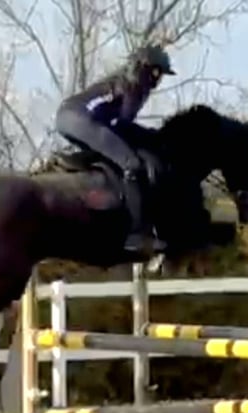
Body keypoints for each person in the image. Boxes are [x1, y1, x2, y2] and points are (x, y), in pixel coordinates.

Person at [55, 44, 176, 258]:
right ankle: (136, 234)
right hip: (82, 120)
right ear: (145, 67)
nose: (158, 79)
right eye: (157, 72)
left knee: (114, 151)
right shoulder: (132, 85)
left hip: (69, 117)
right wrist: (152, 136)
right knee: (132, 164)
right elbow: (122, 125)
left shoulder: (126, 80)